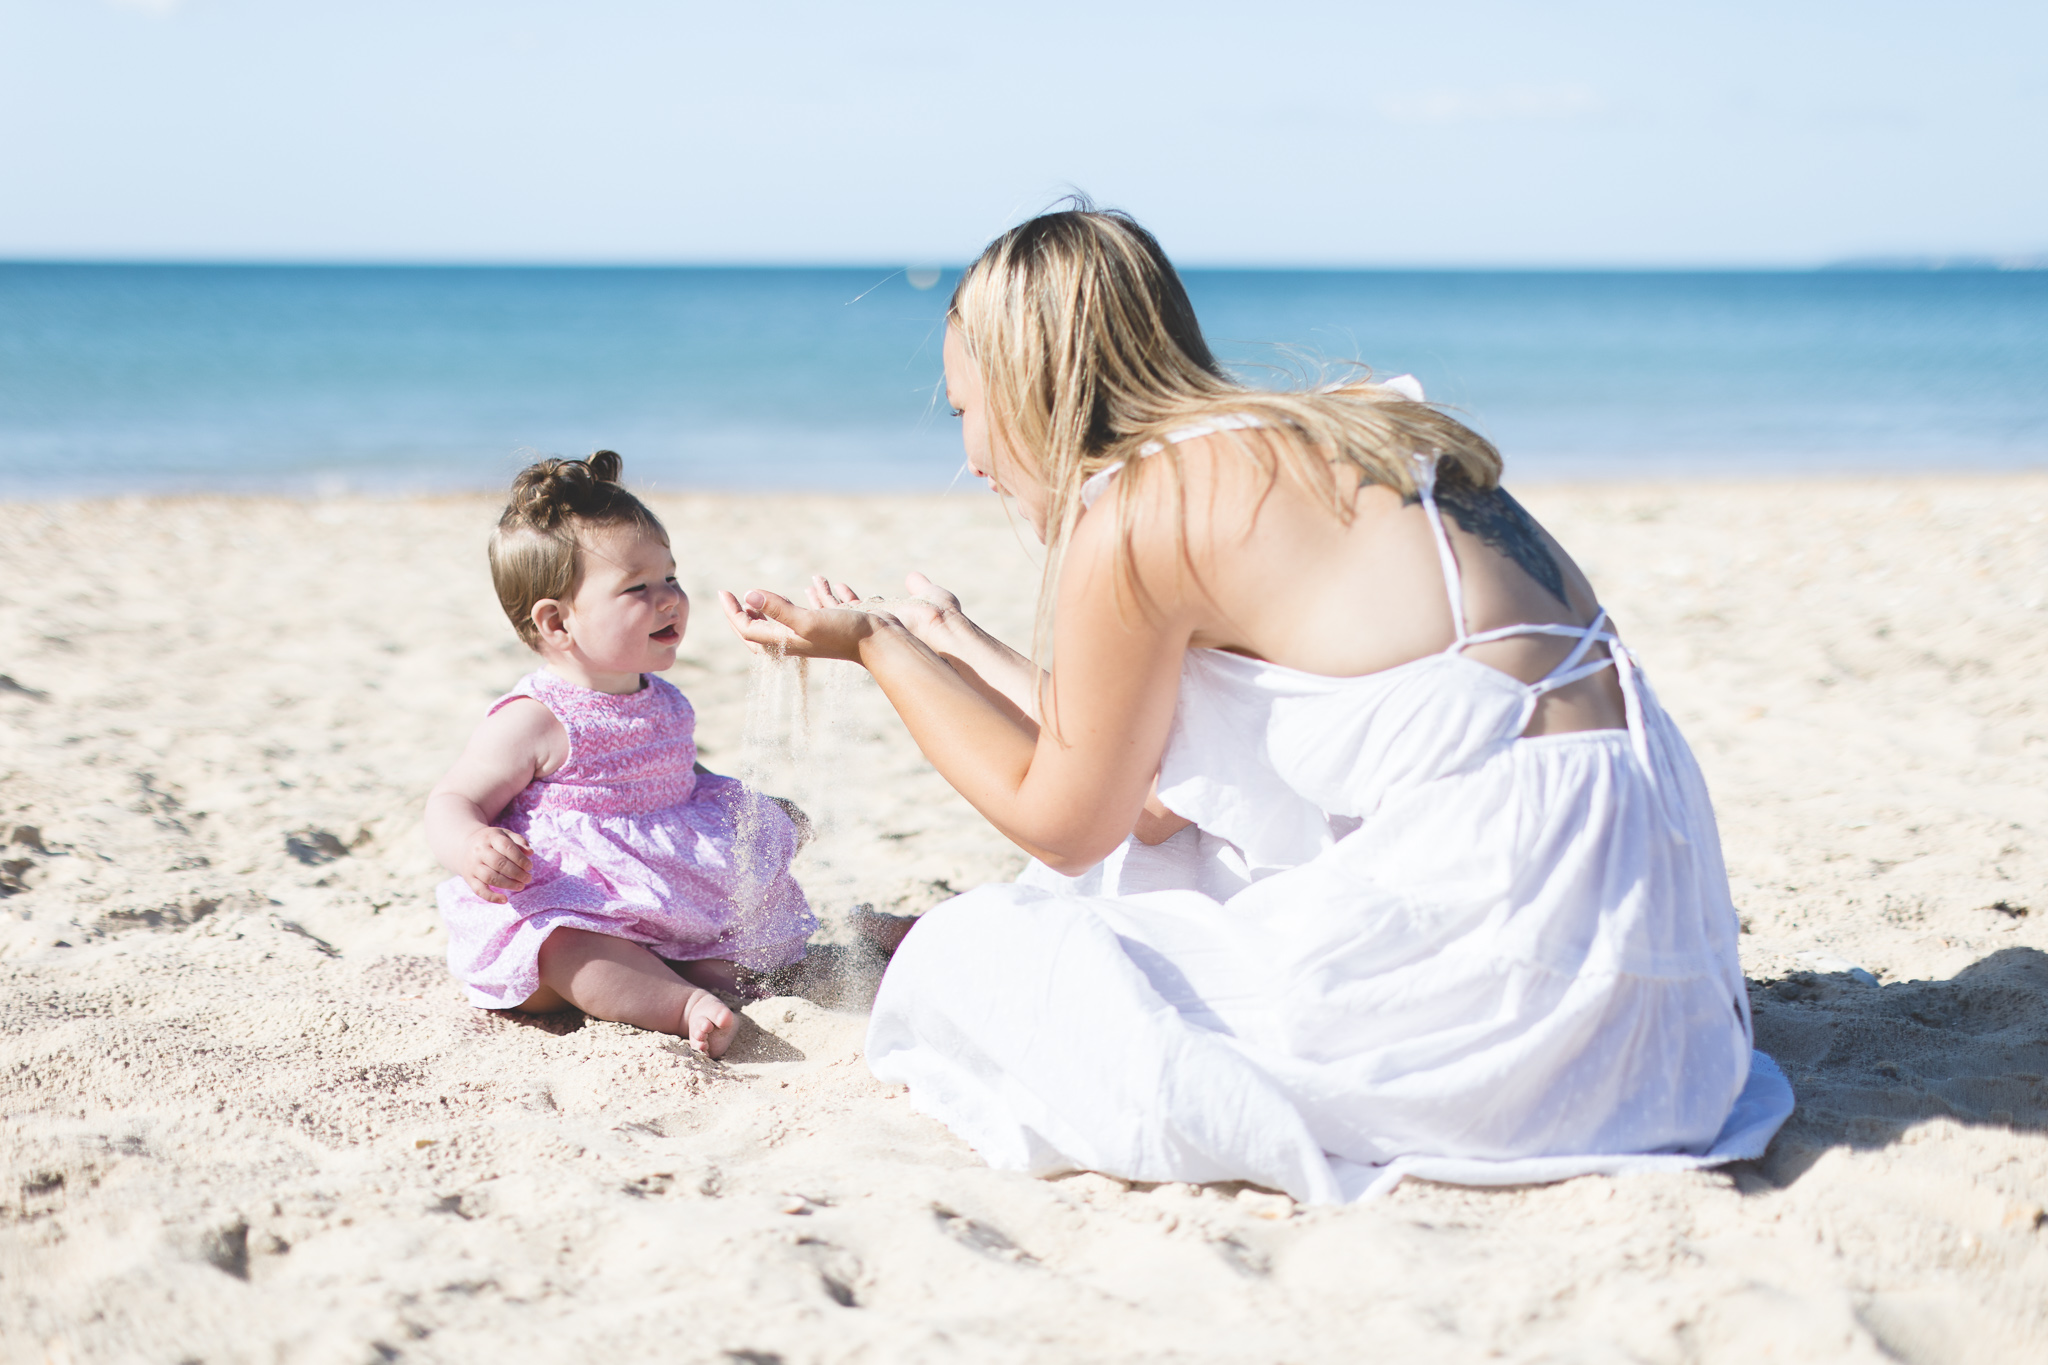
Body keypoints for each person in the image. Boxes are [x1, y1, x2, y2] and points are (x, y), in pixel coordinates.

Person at [723, 206, 1792, 1200]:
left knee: (972, 955)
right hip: (1666, 986)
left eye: (966, 409)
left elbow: (1067, 822)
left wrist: (877, 644)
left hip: (1524, 978)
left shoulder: (1142, 511)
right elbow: (1155, 805)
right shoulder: (1349, 431)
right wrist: (953, 643)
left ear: (1027, 379)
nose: (967, 455)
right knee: (1161, 871)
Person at [428, 451, 814, 1057]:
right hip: (573, 898)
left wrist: (754, 811)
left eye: (672, 578)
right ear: (557, 623)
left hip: (656, 891)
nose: (669, 600)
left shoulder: (662, 698)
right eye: (638, 588)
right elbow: (454, 799)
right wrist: (473, 847)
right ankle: (679, 1005)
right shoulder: (534, 717)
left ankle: (695, 980)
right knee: (570, 949)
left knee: (734, 954)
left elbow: (680, 774)